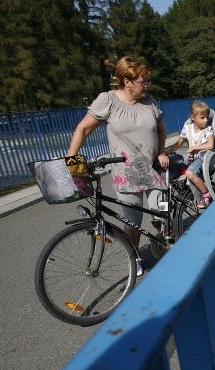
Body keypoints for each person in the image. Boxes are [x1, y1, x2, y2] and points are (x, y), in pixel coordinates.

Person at [66, 56, 168, 276]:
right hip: (125, 174)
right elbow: (83, 129)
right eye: (143, 81)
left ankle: (163, 236)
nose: (147, 85)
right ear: (127, 82)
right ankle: (135, 258)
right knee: (132, 222)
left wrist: (160, 151)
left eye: (148, 81)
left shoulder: (149, 101)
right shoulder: (108, 100)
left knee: (163, 210)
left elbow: (160, 129)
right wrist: (71, 158)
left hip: (152, 169)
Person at [166, 101, 215, 209]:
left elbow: (210, 144)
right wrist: (169, 151)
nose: (206, 120)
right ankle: (182, 191)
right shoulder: (187, 128)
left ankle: (206, 194)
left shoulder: (208, 129)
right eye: (202, 118)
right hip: (191, 158)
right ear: (193, 117)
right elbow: (179, 142)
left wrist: (195, 147)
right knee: (169, 171)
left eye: (207, 117)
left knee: (190, 173)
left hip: (203, 157)